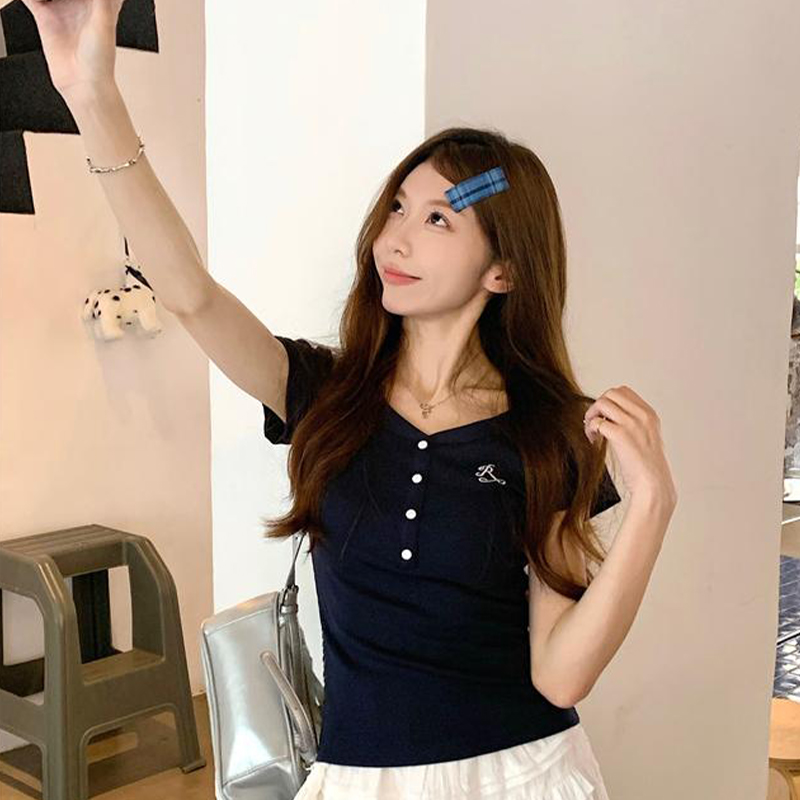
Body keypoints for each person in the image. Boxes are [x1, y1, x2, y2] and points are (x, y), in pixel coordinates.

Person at [24, 2, 678, 797]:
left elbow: (562, 675)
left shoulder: (549, 433)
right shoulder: (324, 393)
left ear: (502, 270)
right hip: (361, 777)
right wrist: (93, 96)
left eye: (438, 220)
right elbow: (189, 293)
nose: (395, 238)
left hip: (523, 773)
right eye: (398, 207)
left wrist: (652, 506)